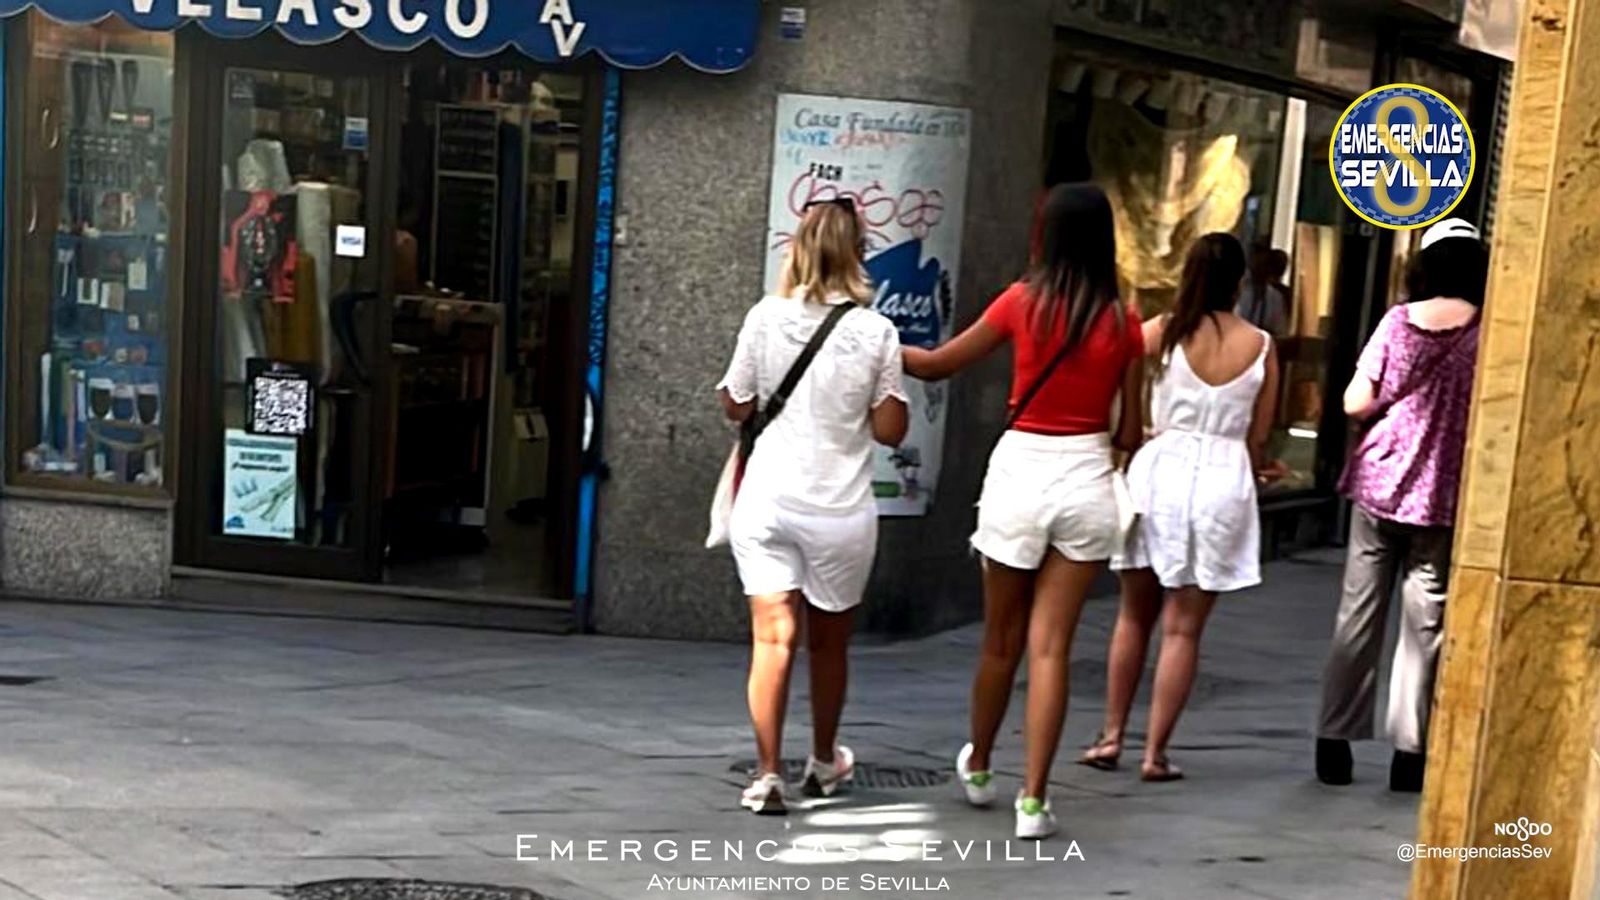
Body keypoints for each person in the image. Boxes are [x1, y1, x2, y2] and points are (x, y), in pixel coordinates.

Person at [904, 182, 1144, 839]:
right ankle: (1034, 801)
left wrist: (869, 342)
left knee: (1000, 640)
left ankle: (980, 765)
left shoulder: (1020, 302)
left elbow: (933, 366)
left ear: (1046, 234)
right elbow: (1132, 432)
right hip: (1088, 474)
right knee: (1051, 648)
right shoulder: (1123, 321)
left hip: (1021, 471)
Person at [717, 198, 910, 815]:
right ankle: (824, 761)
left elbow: (737, 404)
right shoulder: (877, 331)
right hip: (838, 512)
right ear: (858, 254)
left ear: (797, 249)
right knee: (829, 646)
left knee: (771, 643)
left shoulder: (765, 316)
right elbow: (889, 430)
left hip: (767, 503)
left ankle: (768, 774)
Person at [1079, 233, 1284, 782]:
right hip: (1223, 478)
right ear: (1240, 281)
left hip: (1159, 468)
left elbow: (1113, 361)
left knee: (1132, 616)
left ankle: (1112, 735)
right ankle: (1155, 754)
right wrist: (1265, 464)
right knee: (1183, 630)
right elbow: (1258, 438)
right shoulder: (1262, 346)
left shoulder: (1163, 332)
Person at [1315, 218, 1486, 793]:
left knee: (1357, 616)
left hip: (1379, 487)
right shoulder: (1487, 332)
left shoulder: (1396, 322)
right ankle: (1410, 756)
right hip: (1440, 496)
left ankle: (1334, 744)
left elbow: (1354, 401)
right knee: (1425, 625)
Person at [1234, 243, 1290, 337]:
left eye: (1264, 265)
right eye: (1257, 263)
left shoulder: (1275, 297)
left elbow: (1280, 330)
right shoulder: (1237, 290)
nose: (1260, 268)